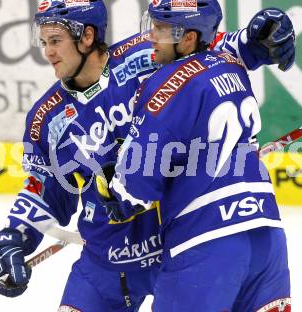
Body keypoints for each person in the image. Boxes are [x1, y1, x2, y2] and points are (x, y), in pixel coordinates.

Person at [0, 0, 295, 311]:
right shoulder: (46, 120)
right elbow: (44, 187)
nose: (48, 52)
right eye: (45, 41)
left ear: (86, 37)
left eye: (56, 41)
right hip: (110, 258)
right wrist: (15, 236)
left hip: (178, 241)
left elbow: (215, 49)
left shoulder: (150, 51)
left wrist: (261, 38)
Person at [101, 0, 291, 311]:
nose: (151, 35)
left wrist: (113, 192)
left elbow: (136, 185)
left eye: (161, 29)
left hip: (205, 242)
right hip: (267, 236)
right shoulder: (232, 66)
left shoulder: (164, 83)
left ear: (189, 38)